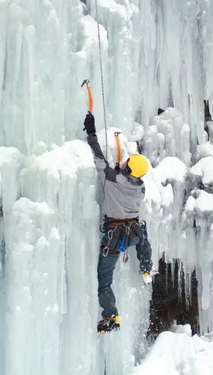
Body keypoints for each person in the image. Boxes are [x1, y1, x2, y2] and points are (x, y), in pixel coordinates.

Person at [83, 112, 154, 333]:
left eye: (126, 163)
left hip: (114, 237)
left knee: (104, 280)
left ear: (128, 168)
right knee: (142, 232)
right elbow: (125, 178)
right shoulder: (140, 188)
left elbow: (98, 157)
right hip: (132, 232)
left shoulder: (112, 179)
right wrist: (120, 170)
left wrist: (91, 132)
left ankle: (111, 315)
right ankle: (146, 266)